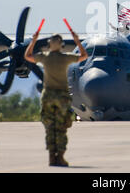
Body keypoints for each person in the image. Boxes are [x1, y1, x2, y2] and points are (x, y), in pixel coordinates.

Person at [25, 30, 87, 167]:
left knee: (49, 127)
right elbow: (84, 56)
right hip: (62, 96)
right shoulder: (66, 58)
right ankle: (60, 157)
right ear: (61, 45)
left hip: (47, 96)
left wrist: (33, 40)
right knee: (61, 127)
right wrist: (77, 40)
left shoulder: (44, 57)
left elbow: (28, 56)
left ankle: (52, 157)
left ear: (49, 44)